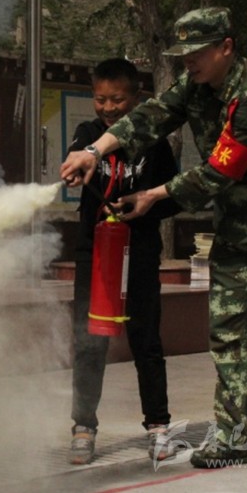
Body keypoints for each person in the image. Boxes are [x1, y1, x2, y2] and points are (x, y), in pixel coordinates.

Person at [61, 7, 247, 469]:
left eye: (197, 52)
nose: (188, 61)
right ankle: (233, 438)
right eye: (183, 54)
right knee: (228, 331)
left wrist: (152, 196)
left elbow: (219, 171)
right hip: (234, 223)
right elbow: (150, 116)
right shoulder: (194, 85)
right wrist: (93, 150)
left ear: (226, 47)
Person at [66, 58, 181, 465]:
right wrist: (75, 169)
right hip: (95, 254)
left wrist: (143, 204)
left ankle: (158, 426)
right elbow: (76, 156)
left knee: (146, 340)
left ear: (136, 97)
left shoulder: (154, 141)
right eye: (100, 99)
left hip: (140, 252)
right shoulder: (88, 135)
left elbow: (173, 196)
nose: (108, 108)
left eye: (117, 99)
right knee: (89, 342)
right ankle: (83, 427)